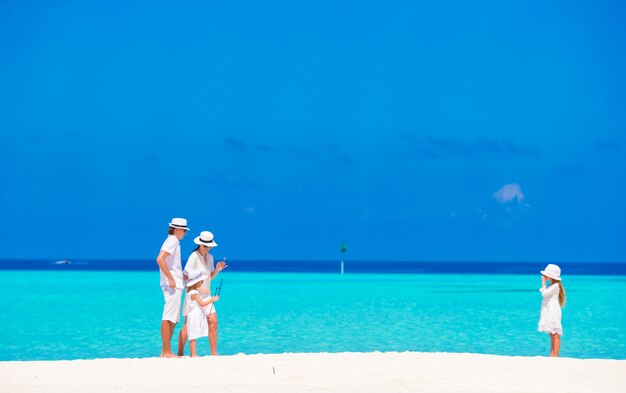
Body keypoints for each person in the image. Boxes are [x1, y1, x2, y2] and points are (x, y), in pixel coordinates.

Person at [177, 231, 227, 356]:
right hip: (194, 294)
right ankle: (180, 353)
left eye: (209, 246)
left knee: (213, 321)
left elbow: (209, 277)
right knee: (188, 325)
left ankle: (214, 353)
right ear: (200, 244)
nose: (208, 248)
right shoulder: (194, 256)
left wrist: (217, 270)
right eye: (205, 246)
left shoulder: (210, 257)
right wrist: (199, 289)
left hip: (206, 295)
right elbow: (186, 277)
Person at [155, 217, 189, 358]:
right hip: (172, 285)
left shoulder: (174, 242)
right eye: (184, 231)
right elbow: (160, 259)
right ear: (177, 229)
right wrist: (170, 278)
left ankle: (165, 351)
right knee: (169, 316)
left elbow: (170, 264)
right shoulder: (172, 241)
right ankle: (166, 351)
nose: (185, 233)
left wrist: (180, 275)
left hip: (175, 283)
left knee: (173, 318)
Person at [183, 270, 220, 357]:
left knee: (193, 334)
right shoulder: (195, 293)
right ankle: (193, 354)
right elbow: (202, 304)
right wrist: (212, 299)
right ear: (196, 283)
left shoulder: (191, 291)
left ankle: (193, 353)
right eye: (201, 281)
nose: (203, 282)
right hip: (194, 316)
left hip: (193, 315)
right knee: (193, 334)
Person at [538, 263, 566, 357]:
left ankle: (555, 355)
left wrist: (543, 283)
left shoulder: (556, 286)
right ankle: (552, 354)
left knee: (555, 333)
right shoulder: (551, 285)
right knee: (551, 333)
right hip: (550, 311)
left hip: (553, 312)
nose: (544, 276)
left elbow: (544, 294)